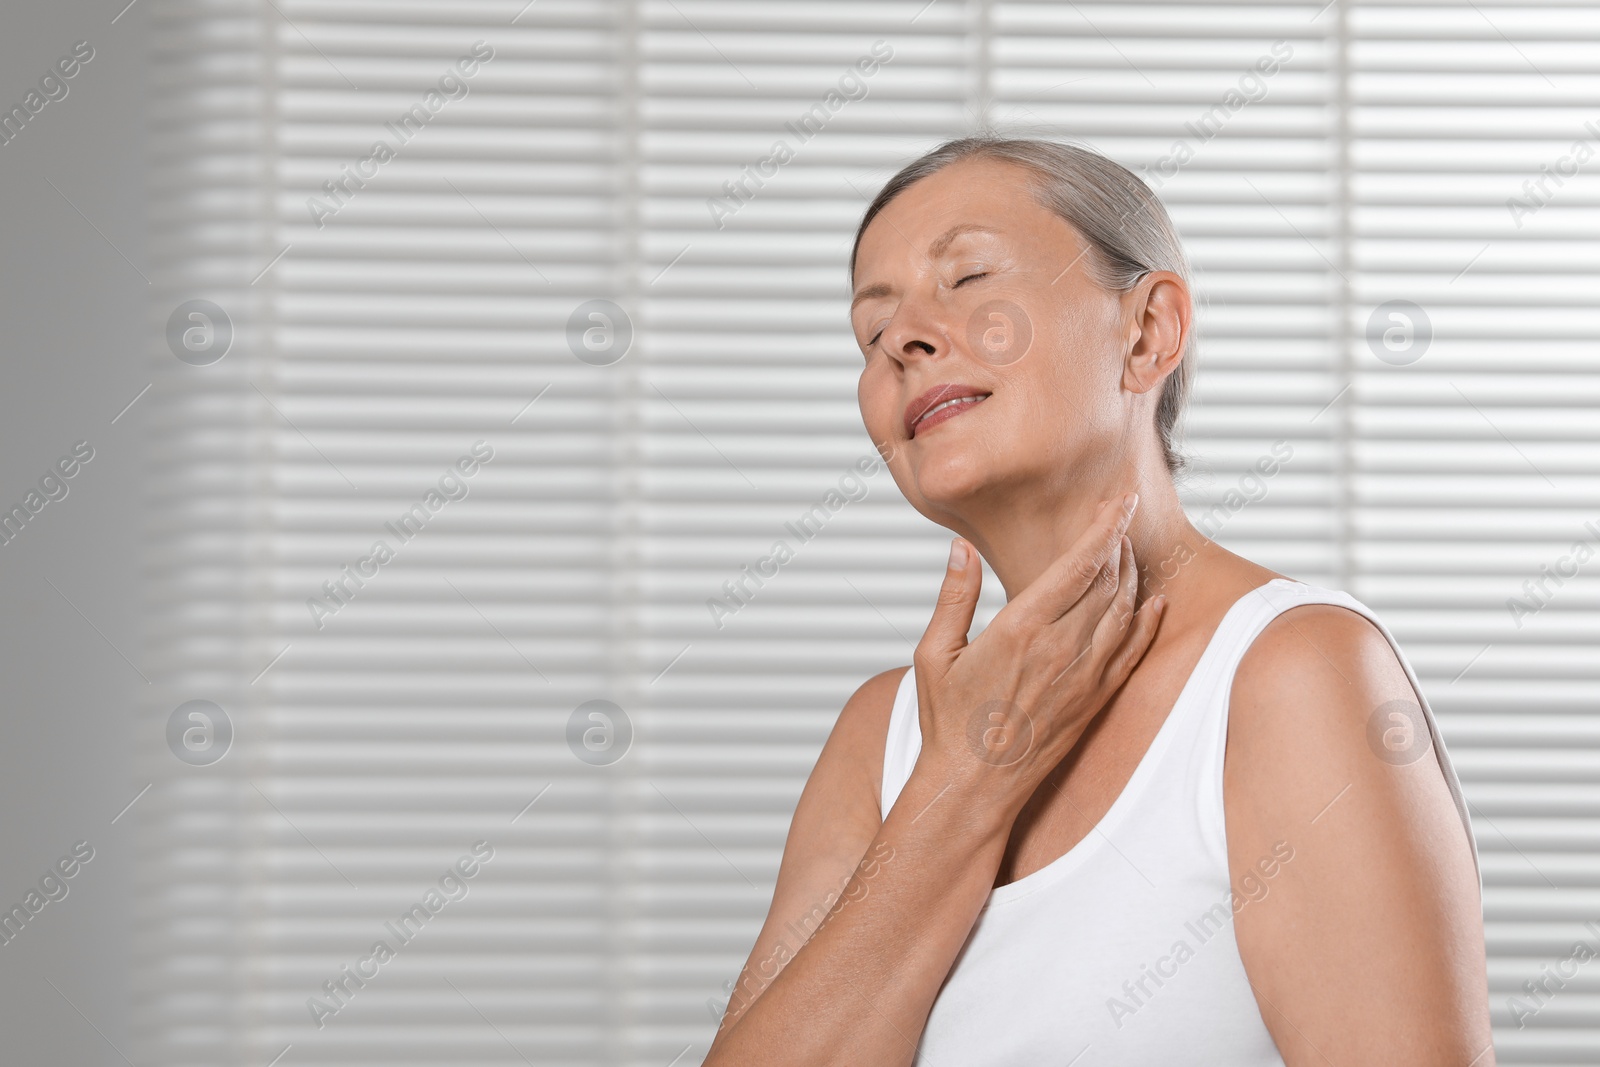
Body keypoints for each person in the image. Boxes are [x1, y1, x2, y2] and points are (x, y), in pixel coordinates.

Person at [702, 136, 1491, 1065]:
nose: (904, 340)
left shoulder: (1294, 675)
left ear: (1148, 331)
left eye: (968, 276)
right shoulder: (883, 738)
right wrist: (963, 782)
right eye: (871, 334)